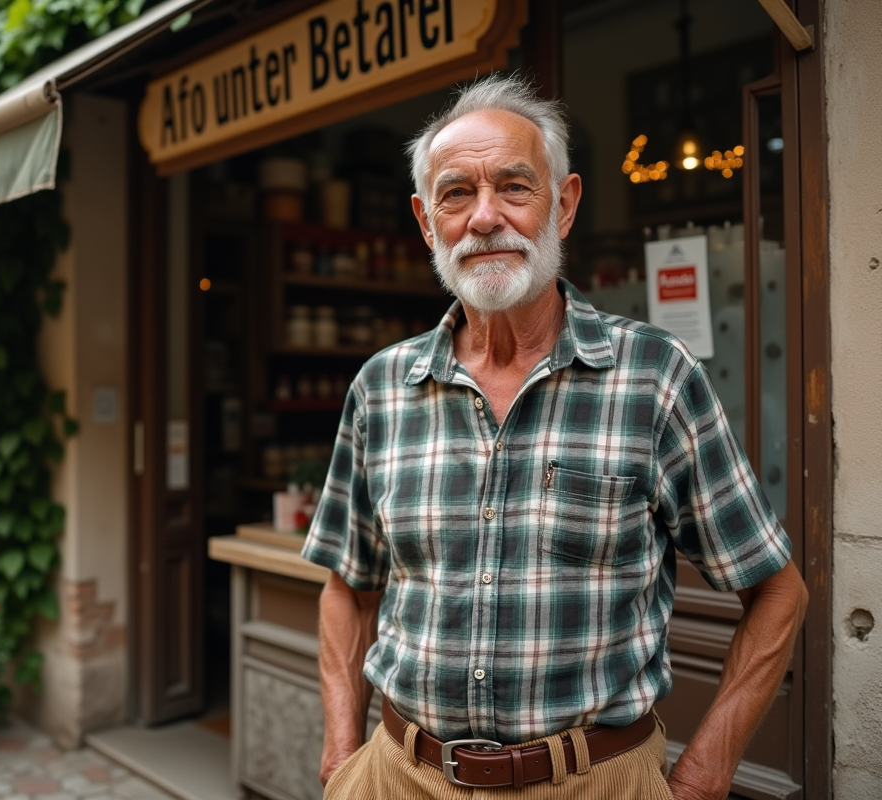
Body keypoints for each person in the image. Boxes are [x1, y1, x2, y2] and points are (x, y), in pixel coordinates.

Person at [301, 73, 808, 800]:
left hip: (593, 782)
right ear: (425, 221)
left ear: (563, 206)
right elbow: (348, 587)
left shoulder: (653, 378)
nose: (484, 218)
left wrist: (704, 773)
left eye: (514, 187)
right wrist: (340, 754)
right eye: (455, 194)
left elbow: (777, 590)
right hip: (394, 775)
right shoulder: (381, 387)